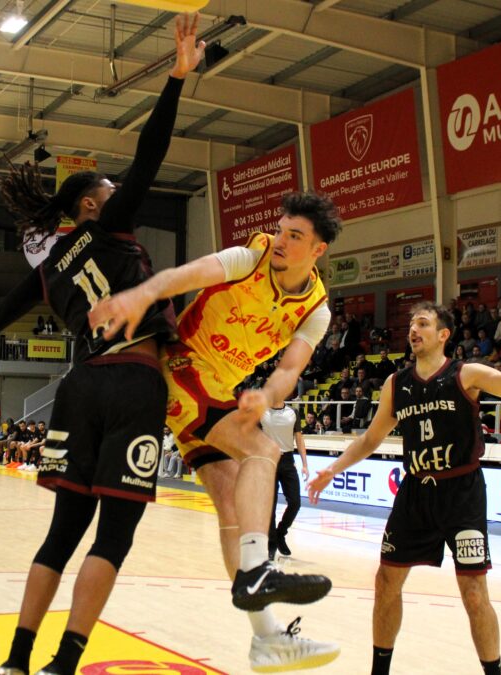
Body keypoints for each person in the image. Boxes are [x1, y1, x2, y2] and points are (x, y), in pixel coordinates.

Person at [0, 15, 207, 675]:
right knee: (114, 536)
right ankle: (64, 662)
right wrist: (176, 80)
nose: (119, 191)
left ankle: (16, 660)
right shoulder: (111, 227)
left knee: (62, 533)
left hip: (78, 387)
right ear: (91, 206)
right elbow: (150, 155)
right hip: (132, 382)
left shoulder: (47, 270)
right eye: (109, 190)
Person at [89, 191, 342, 671]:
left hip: (217, 391)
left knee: (232, 506)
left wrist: (267, 395)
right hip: (183, 366)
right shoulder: (250, 257)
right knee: (264, 450)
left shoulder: (317, 310)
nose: (281, 240)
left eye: (295, 236)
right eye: (281, 229)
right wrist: (142, 294)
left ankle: (266, 639)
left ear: (318, 249)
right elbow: (185, 275)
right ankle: (259, 568)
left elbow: (290, 369)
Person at [307, 300, 501, 675]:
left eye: (422, 323)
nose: (413, 330)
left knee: (474, 593)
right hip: (415, 492)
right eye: (411, 324)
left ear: (443, 335)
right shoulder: (396, 383)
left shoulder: (466, 374)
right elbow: (370, 439)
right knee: (386, 581)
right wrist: (332, 469)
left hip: (462, 493)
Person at [260, 400, 309, 560]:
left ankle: (280, 533)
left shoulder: (293, 412)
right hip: (268, 460)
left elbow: (299, 439)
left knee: (295, 503)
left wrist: (305, 464)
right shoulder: (261, 412)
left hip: (288, 460)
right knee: (270, 506)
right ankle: (272, 543)